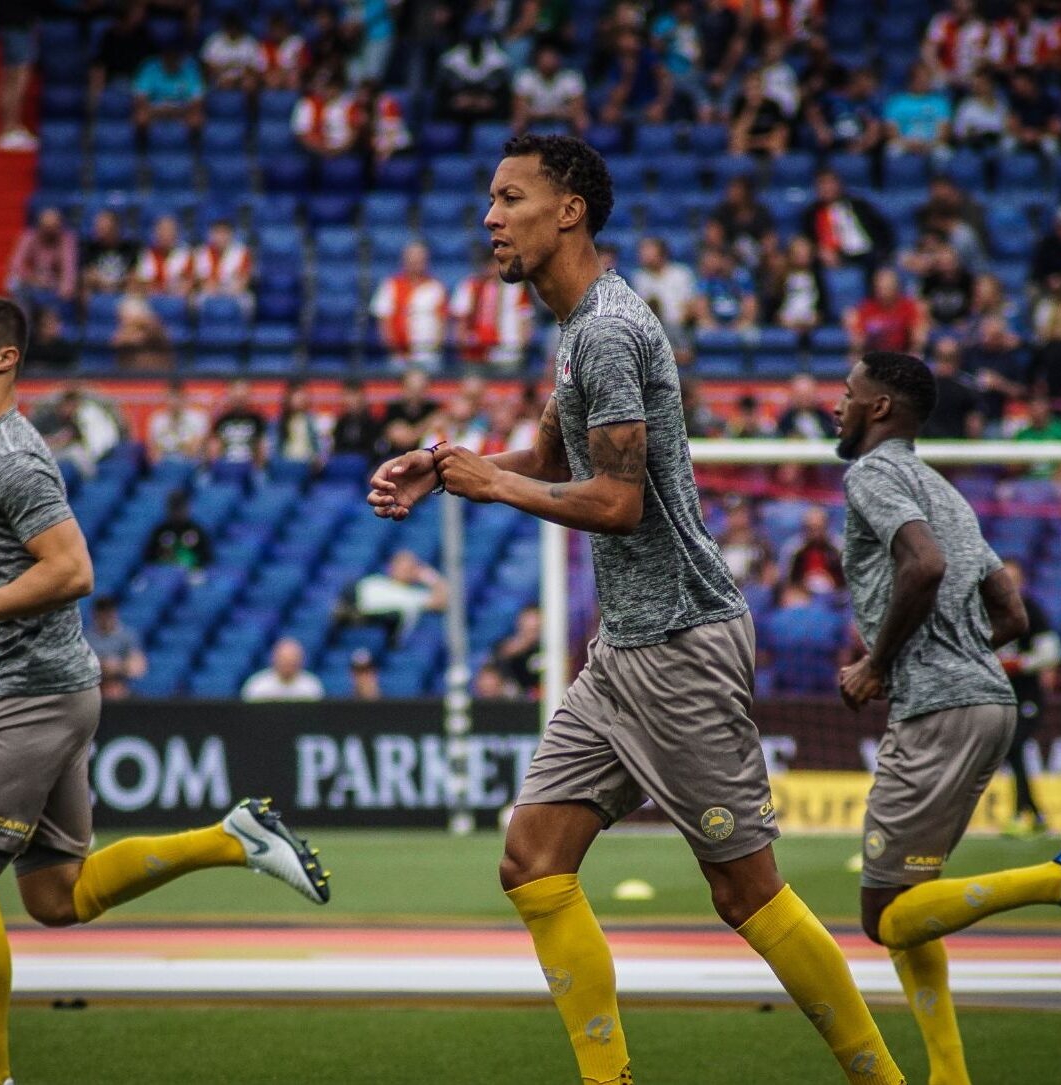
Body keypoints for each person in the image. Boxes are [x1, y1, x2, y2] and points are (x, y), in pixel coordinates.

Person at [370, 133, 905, 1085]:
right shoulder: (578, 331)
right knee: (532, 857)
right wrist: (449, 468)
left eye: (509, 198)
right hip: (624, 647)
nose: (489, 218)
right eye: (490, 200)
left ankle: (883, 1080)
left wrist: (492, 487)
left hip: (681, 642)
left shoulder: (610, 331)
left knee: (745, 892)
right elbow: (551, 464)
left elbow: (616, 503)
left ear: (567, 209)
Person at [0, 294, 328, 1085]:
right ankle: (230, 837)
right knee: (55, 896)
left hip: (32, 692)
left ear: (5, 359)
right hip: (56, 686)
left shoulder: (8, 456)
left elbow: (73, 570)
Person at [833, 350, 1061, 1085]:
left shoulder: (872, 473)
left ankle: (1055, 879)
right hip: (986, 701)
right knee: (914, 897)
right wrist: (959, 649)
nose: (837, 404)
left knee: (883, 918)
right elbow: (1012, 610)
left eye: (848, 393)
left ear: (878, 408)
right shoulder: (947, 490)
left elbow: (924, 564)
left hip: (936, 707)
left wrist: (879, 663)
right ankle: (947, 1073)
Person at [996, 559, 1061, 837]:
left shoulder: (1032, 612)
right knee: (1010, 749)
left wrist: (1018, 664)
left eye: (1014, 578)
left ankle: (1020, 813)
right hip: (999, 697)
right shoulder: (987, 611)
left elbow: (1051, 653)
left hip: (1027, 697)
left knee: (1013, 745)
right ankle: (1035, 815)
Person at [451, 247, 536, 369]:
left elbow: (526, 320)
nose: (493, 268)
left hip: (507, 353)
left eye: (497, 264)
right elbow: (460, 322)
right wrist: (465, 342)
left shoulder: (517, 289)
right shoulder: (469, 286)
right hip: (475, 352)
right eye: (490, 264)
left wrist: (521, 346)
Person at [371, 242, 448, 371]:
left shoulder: (436, 287)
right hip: (400, 357)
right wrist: (394, 350)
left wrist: (436, 348)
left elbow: (442, 323)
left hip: (429, 357)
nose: (416, 262)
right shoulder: (390, 285)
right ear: (404, 260)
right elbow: (384, 322)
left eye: (420, 259)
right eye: (413, 259)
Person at [5, 207, 77, 318]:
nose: (50, 231)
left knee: (65, 294)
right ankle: (24, 326)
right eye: (47, 227)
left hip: (54, 285)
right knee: (13, 283)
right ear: (39, 226)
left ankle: (50, 327)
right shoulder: (29, 237)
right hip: (31, 283)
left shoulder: (66, 239)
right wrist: (34, 279)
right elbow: (15, 265)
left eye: (54, 227)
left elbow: (69, 269)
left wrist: (65, 286)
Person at [132, 35, 205, 134]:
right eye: (169, 55)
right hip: (155, 107)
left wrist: (179, 111)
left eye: (175, 56)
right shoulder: (149, 67)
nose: (172, 59)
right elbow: (140, 98)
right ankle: (142, 149)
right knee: (140, 117)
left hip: (181, 108)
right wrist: (155, 110)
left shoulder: (190, 68)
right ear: (163, 56)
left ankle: (195, 150)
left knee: (197, 119)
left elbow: (197, 101)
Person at [0, 0, 40, 151]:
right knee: (19, 77)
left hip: (8, 24)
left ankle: (8, 128)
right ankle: (10, 129)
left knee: (9, 77)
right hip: (17, 25)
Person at [512, 41, 588, 134]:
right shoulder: (525, 77)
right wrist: (551, 113)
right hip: (533, 123)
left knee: (581, 120)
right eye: (545, 58)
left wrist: (546, 113)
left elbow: (577, 109)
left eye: (552, 58)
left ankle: (578, 147)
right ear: (537, 59)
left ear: (559, 59)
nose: (549, 61)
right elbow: (521, 109)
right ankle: (521, 147)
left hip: (563, 123)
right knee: (518, 121)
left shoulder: (571, 77)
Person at [83, 595, 146, 701]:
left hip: (121, 688)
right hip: (96, 689)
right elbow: (81, 669)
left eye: (109, 613)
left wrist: (116, 667)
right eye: (102, 613)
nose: (106, 618)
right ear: (95, 615)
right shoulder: (86, 639)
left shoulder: (127, 636)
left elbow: (138, 668)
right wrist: (103, 667)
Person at [80, 209, 140, 302]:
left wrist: (114, 284)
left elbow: (133, 275)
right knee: (84, 287)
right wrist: (107, 284)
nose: (98, 231)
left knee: (134, 286)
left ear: (115, 228)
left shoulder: (130, 248)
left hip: (123, 292)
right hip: (98, 289)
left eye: (103, 228)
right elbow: (88, 274)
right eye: (98, 227)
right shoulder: (90, 248)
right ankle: (85, 315)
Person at [143, 490, 212, 570]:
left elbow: (207, 558)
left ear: (187, 508)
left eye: (181, 508)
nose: (178, 513)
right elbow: (149, 557)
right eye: (174, 508)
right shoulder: (160, 531)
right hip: (165, 573)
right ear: (169, 509)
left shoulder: (197, 531)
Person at [784, 506, 846, 594]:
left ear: (826, 526)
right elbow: (787, 581)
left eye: (819, 528)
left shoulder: (839, 547)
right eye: (810, 528)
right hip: (803, 597)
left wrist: (834, 581)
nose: (815, 533)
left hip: (836, 596)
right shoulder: (793, 549)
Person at [146, 378, 210, 463]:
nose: (173, 402)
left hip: (190, 465)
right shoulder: (157, 419)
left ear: (184, 398)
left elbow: (194, 450)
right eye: (170, 397)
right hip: (163, 466)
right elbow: (152, 452)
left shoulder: (198, 418)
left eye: (177, 398)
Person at [241, 637, 324, 701]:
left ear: (301, 661)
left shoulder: (311, 686)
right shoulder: (257, 685)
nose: (288, 665)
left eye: (292, 661)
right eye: (284, 660)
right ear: (273, 659)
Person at [207, 380, 267, 467]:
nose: (239, 401)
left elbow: (261, 448)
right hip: (225, 466)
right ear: (229, 396)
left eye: (242, 397)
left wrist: (258, 467)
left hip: (249, 467)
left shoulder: (257, 419)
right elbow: (213, 450)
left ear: (248, 396)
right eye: (236, 397)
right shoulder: (220, 419)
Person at [491, 605, 542, 697]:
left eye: (535, 630)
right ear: (519, 625)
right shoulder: (504, 649)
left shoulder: (549, 652)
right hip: (512, 702)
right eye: (528, 629)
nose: (531, 635)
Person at [330, 378, 383, 461]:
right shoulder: (341, 422)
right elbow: (336, 447)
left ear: (362, 397)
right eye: (347, 396)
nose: (350, 401)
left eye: (353, 396)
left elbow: (376, 449)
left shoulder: (373, 422)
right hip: (342, 462)